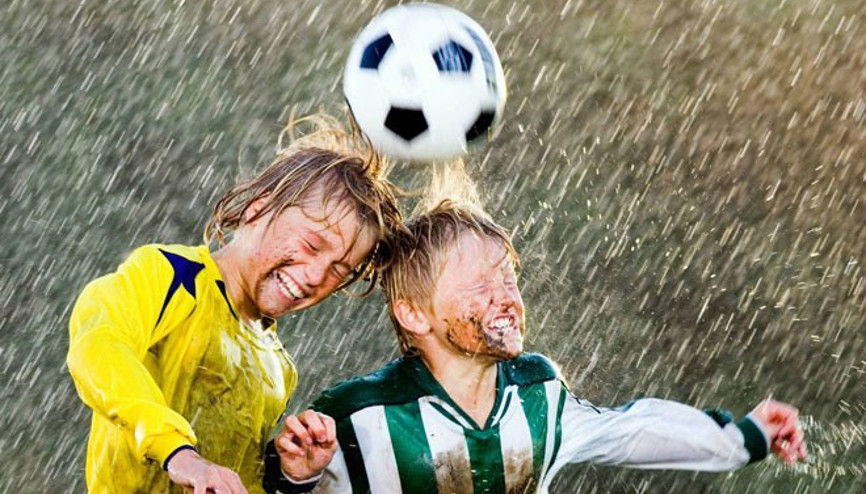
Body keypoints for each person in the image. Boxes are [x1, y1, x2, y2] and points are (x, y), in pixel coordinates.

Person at [262, 199, 807, 494]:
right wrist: (297, 474)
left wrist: (743, 437)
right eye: (480, 285)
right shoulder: (358, 413)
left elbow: (629, 431)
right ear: (414, 314)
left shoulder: (537, 391)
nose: (505, 298)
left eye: (509, 280)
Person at [66, 114, 404, 494]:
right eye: (311, 245)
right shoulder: (170, 275)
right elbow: (97, 346)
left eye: (338, 271)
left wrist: (293, 478)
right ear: (258, 209)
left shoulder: (278, 368)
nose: (314, 276)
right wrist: (181, 455)